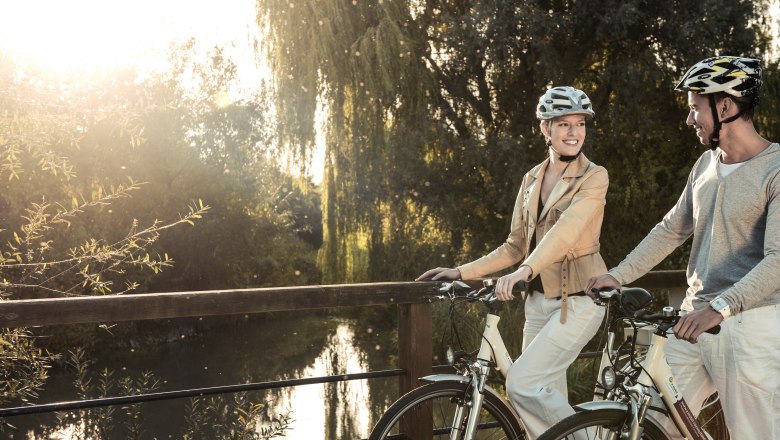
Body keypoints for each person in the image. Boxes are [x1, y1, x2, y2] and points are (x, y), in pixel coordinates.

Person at [586, 55, 780, 439]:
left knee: (754, 434)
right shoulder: (705, 166)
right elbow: (671, 230)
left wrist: (721, 308)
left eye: (695, 109)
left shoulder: (775, 170)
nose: (690, 120)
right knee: (652, 421)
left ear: (724, 106)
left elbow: (777, 260)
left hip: (749, 325)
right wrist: (616, 275)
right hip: (692, 322)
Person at [417, 86, 609, 438]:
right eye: (563, 124)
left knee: (521, 384)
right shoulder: (531, 179)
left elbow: (564, 233)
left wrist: (525, 270)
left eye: (580, 124)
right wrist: (462, 271)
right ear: (545, 129)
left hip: (579, 300)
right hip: (537, 303)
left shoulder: (595, 176)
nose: (573, 132)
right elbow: (513, 245)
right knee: (542, 394)